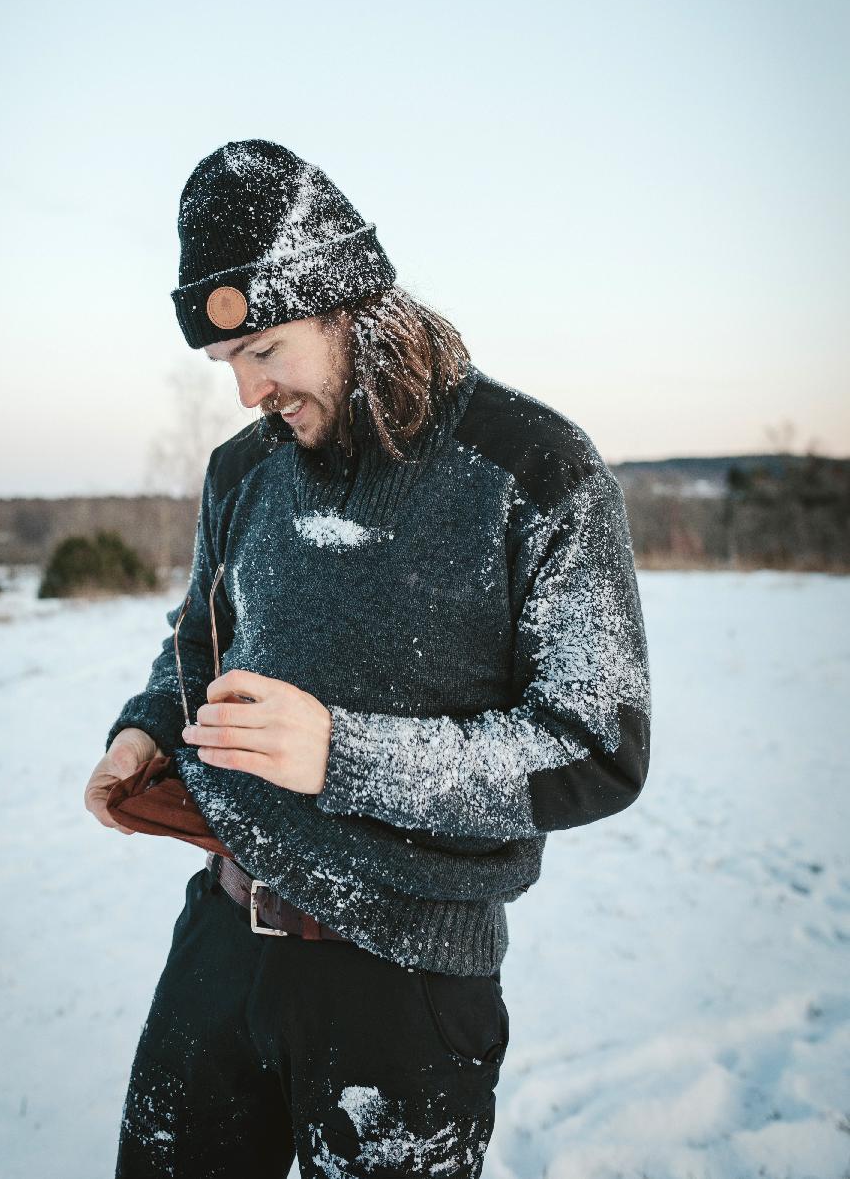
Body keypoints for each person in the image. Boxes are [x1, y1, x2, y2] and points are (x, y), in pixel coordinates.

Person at [84, 138, 652, 1178]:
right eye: (226, 365)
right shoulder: (242, 472)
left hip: (406, 982)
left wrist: (340, 751)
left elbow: (596, 744)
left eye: (266, 351)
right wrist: (144, 727)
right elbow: (199, 649)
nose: (246, 391)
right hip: (219, 936)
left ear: (347, 302)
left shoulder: (535, 466)